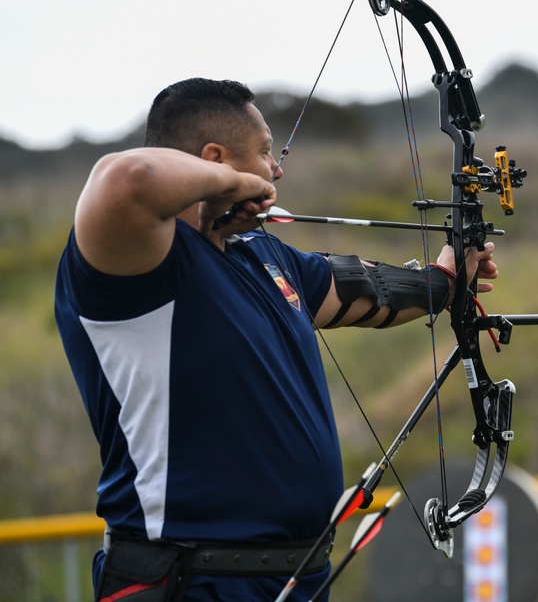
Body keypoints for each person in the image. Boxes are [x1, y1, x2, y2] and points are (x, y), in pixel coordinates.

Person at [53, 77, 498, 602]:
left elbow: (365, 290)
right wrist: (233, 184)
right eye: (266, 152)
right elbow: (125, 177)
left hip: (295, 579)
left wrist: (446, 280)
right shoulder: (135, 268)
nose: (276, 168)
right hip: (189, 580)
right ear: (215, 159)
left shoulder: (262, 255)